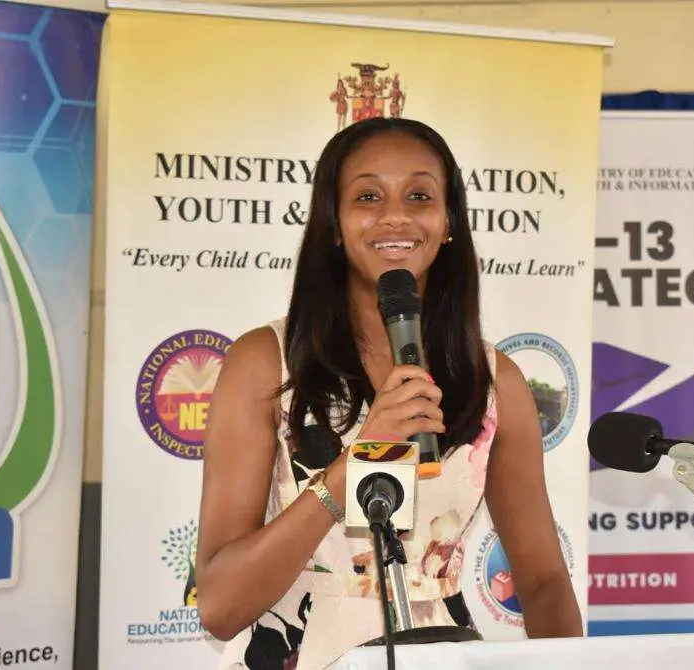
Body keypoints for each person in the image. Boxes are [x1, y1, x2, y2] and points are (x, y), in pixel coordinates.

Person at [196, 117, 583, 669]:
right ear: (334, 224)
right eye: (368, 196)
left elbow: (543, 580)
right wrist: (356, 462)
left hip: (442, 652)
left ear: (448, 223)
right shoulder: (265, 363)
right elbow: (219, 606)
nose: (395, 215)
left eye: (420, 196)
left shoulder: (496, 381)